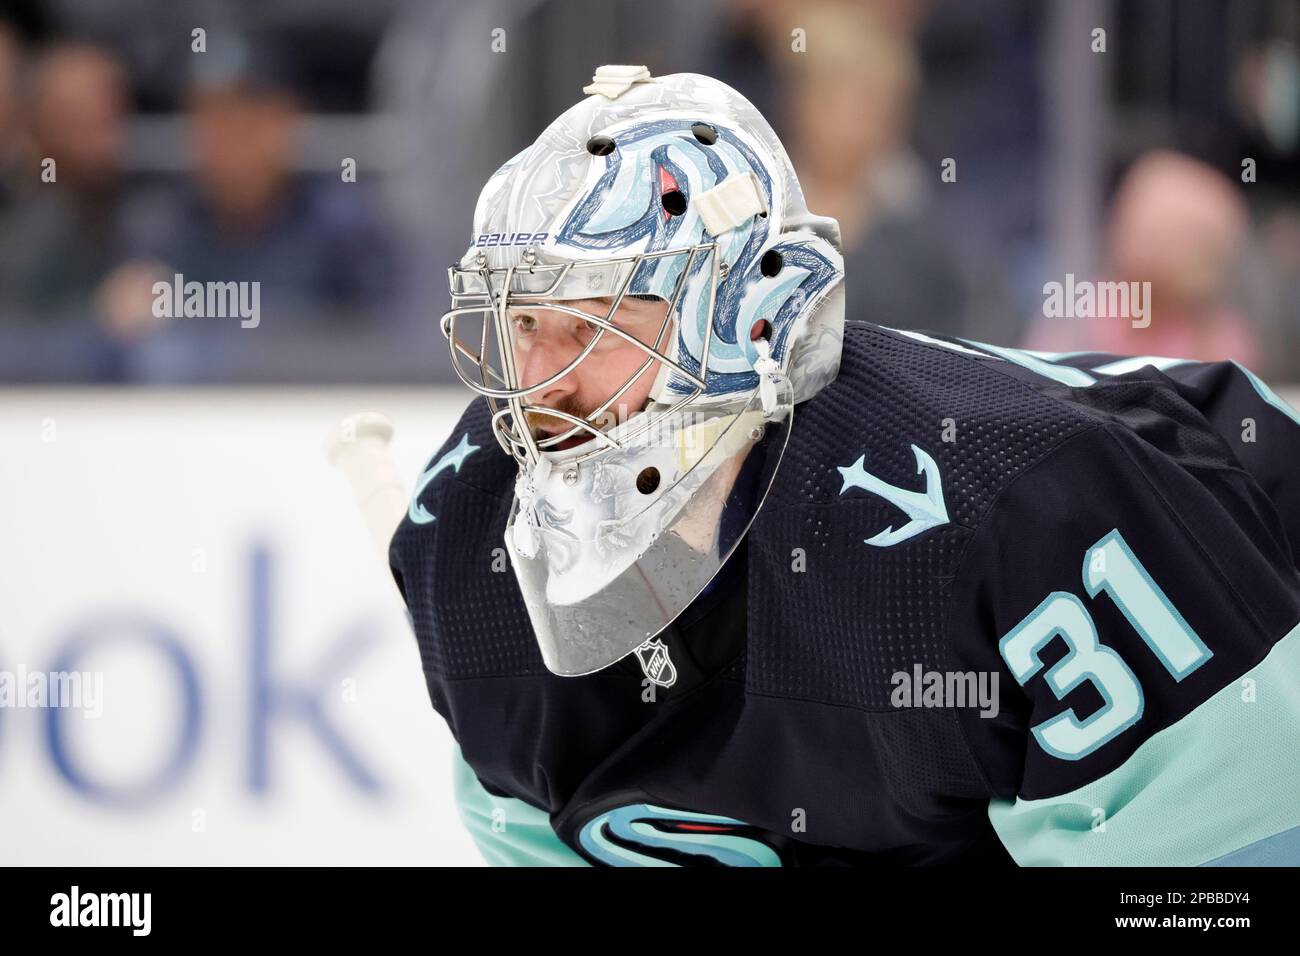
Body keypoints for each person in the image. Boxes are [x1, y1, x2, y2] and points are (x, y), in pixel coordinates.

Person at [389, 66, 1300, 866]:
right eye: (521, 323)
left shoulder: (1031, 508)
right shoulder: (461, 531)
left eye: (591, 322)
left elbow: (1208, 881)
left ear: (750, 316)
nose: (539, 382)